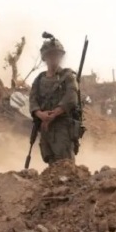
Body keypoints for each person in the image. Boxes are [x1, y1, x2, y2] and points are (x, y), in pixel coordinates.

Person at [29, 36, 79, 164]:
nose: (53, 58)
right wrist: (40, 114)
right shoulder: (39, 79)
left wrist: (54, 114)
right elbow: (33, 100)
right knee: (51, 163)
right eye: (50, 55)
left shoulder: (68, 76)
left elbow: (71, 98)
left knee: (65, 164)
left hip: (62, 126)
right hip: (45, 127)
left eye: (56, 55)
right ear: (44, 57)